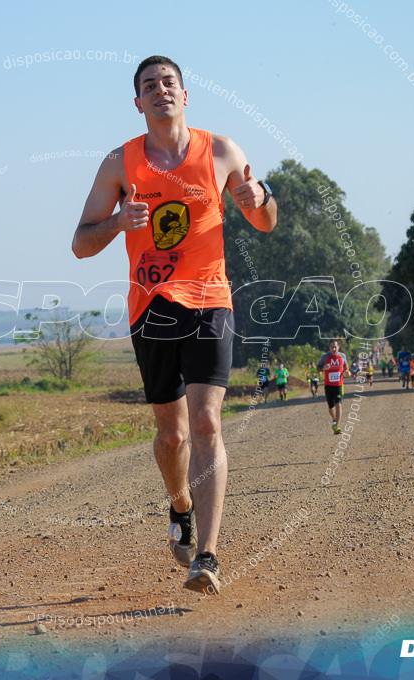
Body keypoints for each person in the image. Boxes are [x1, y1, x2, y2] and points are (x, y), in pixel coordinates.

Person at [72, 55, 277, 595]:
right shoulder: (121, 163)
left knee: (207, 423)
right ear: (138, 103)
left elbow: (264, 220)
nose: (160, 90)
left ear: (185, 95)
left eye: (169, 83)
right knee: (172, 434)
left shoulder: (223, 150)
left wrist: (262, 198)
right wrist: (117, 222)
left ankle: (206, 555)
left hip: (212, 300)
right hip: (152, 306)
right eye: (149, 86)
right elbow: (80, 244)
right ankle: (181, 504)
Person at [317, 340, 350, 434]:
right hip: (328, 386)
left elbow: (346, 366)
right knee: (331, 408)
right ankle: (335, 418)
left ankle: (337, 427)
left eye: (335, 347)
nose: (334, 349)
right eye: (332, 347)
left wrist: (347, 371)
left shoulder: (342, 356)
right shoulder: (325, 357)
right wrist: (323, 367)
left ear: (338, 347)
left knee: (338, 404)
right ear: (329, 347)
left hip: (339, 385)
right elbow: (318, 368)